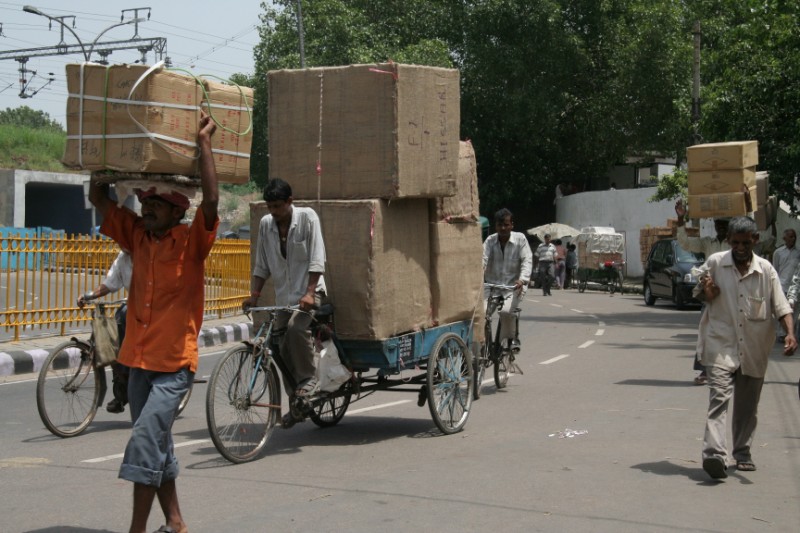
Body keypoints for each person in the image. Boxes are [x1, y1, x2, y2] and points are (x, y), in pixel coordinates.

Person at [88, 112, 219, 533]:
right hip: (137, 364)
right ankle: (175, 522)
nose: (146, 208)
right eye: (144, 202)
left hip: (173, 366)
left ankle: (137, 530)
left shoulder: (191, 242)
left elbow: (211, 203)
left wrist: (204, 143)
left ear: (177, 211)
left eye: (155, 204)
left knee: (145, 441)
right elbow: (99, 199)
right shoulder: (137, 236)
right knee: (156, 442)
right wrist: (103, 154)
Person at [693, 216, 796, 480]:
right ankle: (715, 455)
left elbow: (781, 306)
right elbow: (700, 291)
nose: (740, 248)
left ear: (755, 240)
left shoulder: (766, 270)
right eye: (735, 243)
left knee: (747, 407)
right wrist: (707, 291)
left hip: (754, 348)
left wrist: (790, 334)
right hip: (720, 344)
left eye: (745, 243)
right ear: (728, 241)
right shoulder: (715, 263)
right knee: (718, 399)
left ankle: (742, 453)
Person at [243, 178, 327, 428]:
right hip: (284, 299)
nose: (274, 212)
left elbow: (317, 258)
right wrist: (254, 295)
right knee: (277, 343)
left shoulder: (308, 218)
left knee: (294, 329)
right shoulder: (266, 224)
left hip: (311, 293)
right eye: (270, 207)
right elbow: (261, 265)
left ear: (290, 201)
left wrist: (309, 293)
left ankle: (309, 379)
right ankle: (298, 400)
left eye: (278, 206)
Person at [675, 199, 731, 386]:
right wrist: (681, 218)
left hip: (732, 295)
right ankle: (705, 370)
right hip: (710, 295)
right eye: (718, 224)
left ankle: (732, 370)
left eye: (724, 224)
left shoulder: (736, 244)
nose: (720, 227)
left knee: (733, 333)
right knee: (706, 332)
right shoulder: (707, 243)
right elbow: (685, 243)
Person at [78, 250, 132, 413]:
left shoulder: (147, 252)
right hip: (133, 305)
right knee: (114, 336)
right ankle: (121, 387)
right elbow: (110, 283)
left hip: (151, 306)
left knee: (123, 314)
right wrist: (90, 295)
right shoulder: (122, 258)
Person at [482, 208, 532, 351]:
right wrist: (478, 273)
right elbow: (482, 259)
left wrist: (522, 280)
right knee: (481, 314)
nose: (503, 228)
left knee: (505, 312)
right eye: (500, 225)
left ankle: (509, 339)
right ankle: (483, 343)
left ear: (512, 225)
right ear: (495, 226)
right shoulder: (490, 241)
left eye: (506, 225)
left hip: (513, 287)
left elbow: (527, 261)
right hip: (492, 286)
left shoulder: (520, 239)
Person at [771, 229, 800, 341]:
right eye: (790, 236)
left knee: (794, 311)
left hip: (795, 287)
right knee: (782, 311)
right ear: (784, 238)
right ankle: (781, 334)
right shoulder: (778, 252)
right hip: (782, 285)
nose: (793, 239)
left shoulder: (798, 253)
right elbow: (775, 269)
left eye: (794, 236)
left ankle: (791, 334)